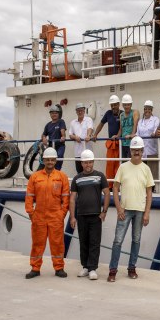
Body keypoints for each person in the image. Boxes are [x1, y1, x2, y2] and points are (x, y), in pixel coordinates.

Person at [107, 136, 154, 282]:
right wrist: (119, 208)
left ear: (142, 151)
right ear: (130, 151)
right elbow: (115, 188)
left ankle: (131, 268)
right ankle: (112, 270)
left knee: (136, 240)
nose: (136, 152)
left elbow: (149, 192)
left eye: (139, 150)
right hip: (125, 210)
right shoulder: (122, 167)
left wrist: (147, 212)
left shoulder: (146, 169)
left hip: (140, 211)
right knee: (118, 241)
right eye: (134, 150)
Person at [24, 147, 70, 279]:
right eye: (47, 160)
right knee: (37, 244)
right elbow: (29, 196)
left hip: (56, 216)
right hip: (39, 216)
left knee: (57, 243)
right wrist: (31, 213)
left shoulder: (62, 177)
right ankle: (35, 268)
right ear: (43, 160)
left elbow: (66, 198)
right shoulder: (35, 177)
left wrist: (62, 214)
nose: (50, 162)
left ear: (55, 161)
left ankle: (59, 268)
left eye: (52, 160)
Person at [69, 149, 109, 281]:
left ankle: (93, 268)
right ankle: (85, 267)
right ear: (81, 163)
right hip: (81, 215)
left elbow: (107, 193)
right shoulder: (77, 179)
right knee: (83, 242)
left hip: (96, 215)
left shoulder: (100, 176)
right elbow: (72, 198)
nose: (88, 165)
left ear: (93, 162)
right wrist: (72, 217)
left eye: (90, 162)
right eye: (86, 163)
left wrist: (104, 212)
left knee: (94, 242)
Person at [92, 95, 122, 189]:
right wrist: (95, 134)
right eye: (111, 105)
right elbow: (101, 124)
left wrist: (117, 136)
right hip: (110, 144)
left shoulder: (122, 113)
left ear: (118, 104)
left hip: (119, 144)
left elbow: (123, 128)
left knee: (118, 165)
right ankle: (109, 186)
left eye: (115, 105)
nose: (113, 107)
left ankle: (117, 186)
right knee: (110, 165)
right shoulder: (108, 113)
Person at [136, 100, 160, 180]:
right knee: (142, 172)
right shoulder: (140, 121)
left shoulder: (155, 119)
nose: (147, 110)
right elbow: (137, 133)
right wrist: (131, 136)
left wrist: (154, 133)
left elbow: (156, 130)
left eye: (149, 109)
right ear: (144, 110)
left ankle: (152, 189)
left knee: (151, 172)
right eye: (145, 109)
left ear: (151, 110)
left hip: (151, 150)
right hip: (142, 151)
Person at [69, 103, 94, 174]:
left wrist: (88, 136)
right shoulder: (73, 122)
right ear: (76, 112)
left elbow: (90, 128)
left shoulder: (88, 119)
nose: (80, 112)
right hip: (78, 153)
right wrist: (75, 137)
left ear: (84, 111)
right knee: (79, 171)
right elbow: (70, 134)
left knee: (89, 170)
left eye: (81, 110)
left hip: (88, 151)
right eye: (78, 111)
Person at [41, 104, 66, 169]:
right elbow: (44, 134)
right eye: (52, 113)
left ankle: (57, 172)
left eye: (56, 113)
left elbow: (62, 130)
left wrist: (63, 136)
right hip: (51, 146)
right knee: (50, 159)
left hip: (60, 145)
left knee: (59, 156)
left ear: (58, 114)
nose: (54, 115)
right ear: (50, 114)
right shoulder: (48, 125)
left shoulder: (61, 121)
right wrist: (44, 138)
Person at [120, 94, 139, 160]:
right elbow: (121, 128)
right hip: (123, 143)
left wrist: (132, 135)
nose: (126, 106)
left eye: (128, 104)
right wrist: (117, 136)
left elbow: (135, 124)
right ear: (122, 105)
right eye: (125, 105)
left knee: (131, 162)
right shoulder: (121, 115)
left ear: (131, 104)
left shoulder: (135, 112)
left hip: (132, 143)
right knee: (123, 163)